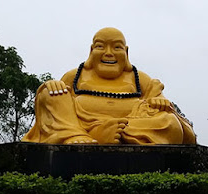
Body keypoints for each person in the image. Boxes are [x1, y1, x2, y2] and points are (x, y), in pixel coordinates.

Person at [22, 27, 196, 145]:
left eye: (117, 47)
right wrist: (52, 85)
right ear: (91, 51)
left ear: (126, 52)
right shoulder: (75, 75)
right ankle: (79, 135)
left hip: (128, 126)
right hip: (80, 124)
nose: (109, 53)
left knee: (170, 123)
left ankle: (105, 134)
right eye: (100, 46)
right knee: (49, 93)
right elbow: (57, 109)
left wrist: (159, 101)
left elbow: (158, 99)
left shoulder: (138, 78)